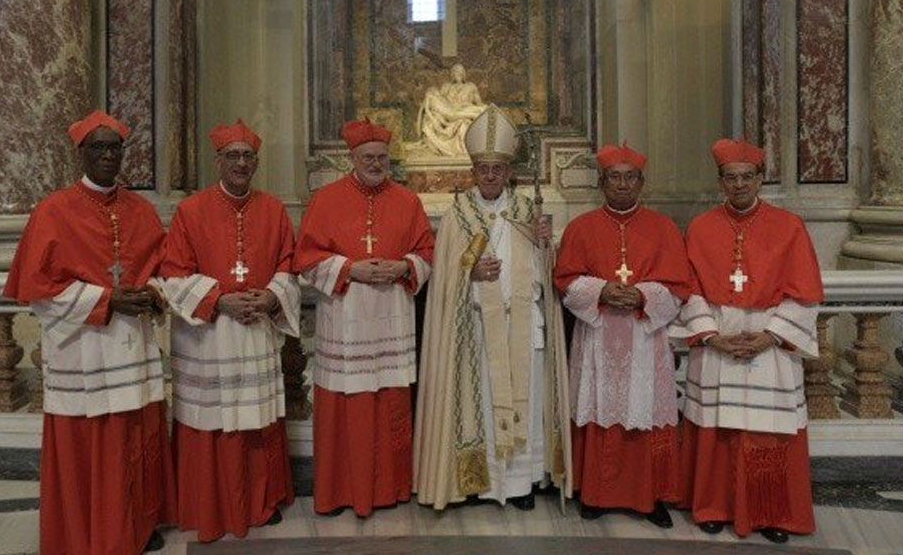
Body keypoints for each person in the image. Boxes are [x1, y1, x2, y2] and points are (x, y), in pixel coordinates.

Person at [4, 110, 174, 554]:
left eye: (114, 147)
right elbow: (39, 291)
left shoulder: (141, 209)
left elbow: (164, 269)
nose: (107, 155)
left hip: (132, 347)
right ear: (80, 153)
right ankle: (84, 532)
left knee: (134, 437)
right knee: (89, 443)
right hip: (83, 349)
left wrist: (153, 292)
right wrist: (107, 300)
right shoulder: (53, 211)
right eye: (97, 147)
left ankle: (135, 525)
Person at [415, 105, 571, 510]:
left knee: (526, 401)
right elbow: (444, 280)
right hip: (476, 329)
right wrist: (469, 271)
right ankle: (478, 483)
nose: (489, 176)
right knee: (479, 404)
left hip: (523, 325)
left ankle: (520, 485)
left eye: (496, 170)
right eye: (482, 169)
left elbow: (546, 276)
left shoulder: (526, 213)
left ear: (507, 173)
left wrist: (543, 245)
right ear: (472, 172)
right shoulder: (457, 217)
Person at [157, 119, 299, 542]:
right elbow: (172, 275)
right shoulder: (190, 211)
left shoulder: (273, 209)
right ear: (217, 161)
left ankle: (259, 500)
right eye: (232, 155)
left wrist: (272, 296)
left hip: (255, 331)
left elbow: (289, 265)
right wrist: (218, 300)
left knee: (255, 422)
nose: (241, 162)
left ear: (256, 162)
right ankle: (210, 505)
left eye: (248, 156)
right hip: (209, 336)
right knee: (212, 422)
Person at [675, 138, 823, 543]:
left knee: (767, 431)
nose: (738, 185)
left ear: (760, 178)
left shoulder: (789, 227)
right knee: (717, 430)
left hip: (769, 340)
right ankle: (712, 506)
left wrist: (771, 335)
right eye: (730, 178)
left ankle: (770, 512)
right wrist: (710, 334)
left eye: (746, 177)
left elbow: (806, 293)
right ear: (720, 181)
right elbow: (689, 289)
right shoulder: (702, 227)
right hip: (719, 336)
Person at [294, 118, 435, 517]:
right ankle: (341, 491)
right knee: (346, 404)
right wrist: (349, 269)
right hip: (346, 315)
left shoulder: (408, 201)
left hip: (392, 314)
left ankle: (390, 489)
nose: (376, 164)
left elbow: (427, 251)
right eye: (368, 157)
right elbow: (305, 257)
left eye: (382, 158)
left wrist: (404, 266)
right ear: (351, 158)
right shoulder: (326, 200)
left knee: (390, 400)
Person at [553, 142, 695, 528]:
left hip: (644, 337)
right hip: (598, 336)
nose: (622, 185)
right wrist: (599, 290)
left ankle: (649, 497)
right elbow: (565, 279)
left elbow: (680, 285)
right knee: (598, 409)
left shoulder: (663, 228)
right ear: (601, 182)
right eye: (614, 178)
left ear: (641, 182)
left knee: (645, 410)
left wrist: (642, 295)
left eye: (629, 178)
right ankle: (594, 494)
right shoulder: (581, 227)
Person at [416, 63, 487, 158]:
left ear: (463, 74)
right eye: (455, 72)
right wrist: (432, 116)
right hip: (450, 114)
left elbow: (479, 103)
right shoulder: (446, 87)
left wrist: (483, 107)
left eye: (459, 71)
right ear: (452, 74)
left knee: (466, 122)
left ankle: (465, 152)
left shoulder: (471, 87)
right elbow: (440, 102)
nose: (457, 74)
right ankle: (458, 152)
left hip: (464, 110)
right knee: (463, 121)